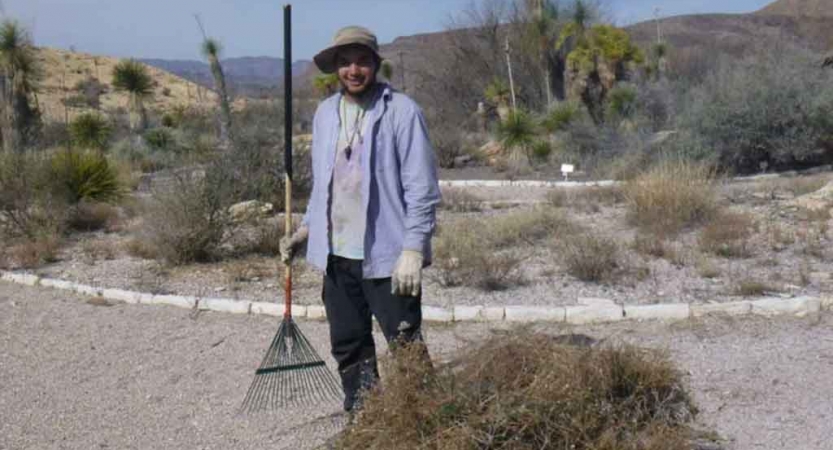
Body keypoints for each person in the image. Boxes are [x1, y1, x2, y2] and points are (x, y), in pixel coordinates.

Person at [280, 25, 441, 412]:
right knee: (350, 345)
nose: (354, 70)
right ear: (336, 67)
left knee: (404, 344)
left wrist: (413, 249)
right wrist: (306, 229)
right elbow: (324, 185)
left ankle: (426, 419)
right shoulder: (324, 115)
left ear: (375, 64)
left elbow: (422, 187)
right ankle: (366, 416)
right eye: (345, 62)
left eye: (362, 61)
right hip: (337, 257)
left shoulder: (402, 112)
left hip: (388, 257)